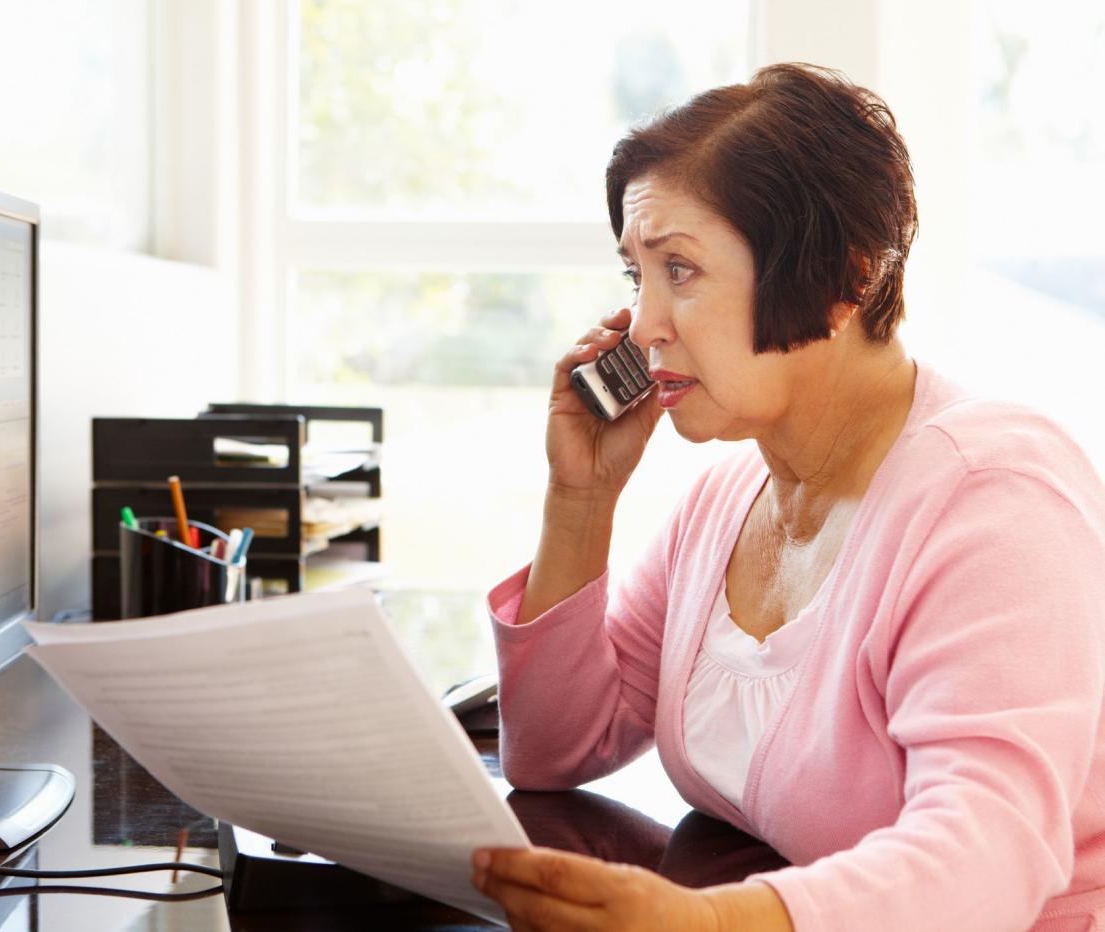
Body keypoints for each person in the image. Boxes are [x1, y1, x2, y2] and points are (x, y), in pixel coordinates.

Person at [469, 63, 1105, 931]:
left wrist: (715, 924)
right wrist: (579, 501)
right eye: (636, 277)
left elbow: (988, 851)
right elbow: (553, 750)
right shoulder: (729, 497)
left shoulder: (997, 499)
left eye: (681, 271)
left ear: (842, 283)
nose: (645, 324)